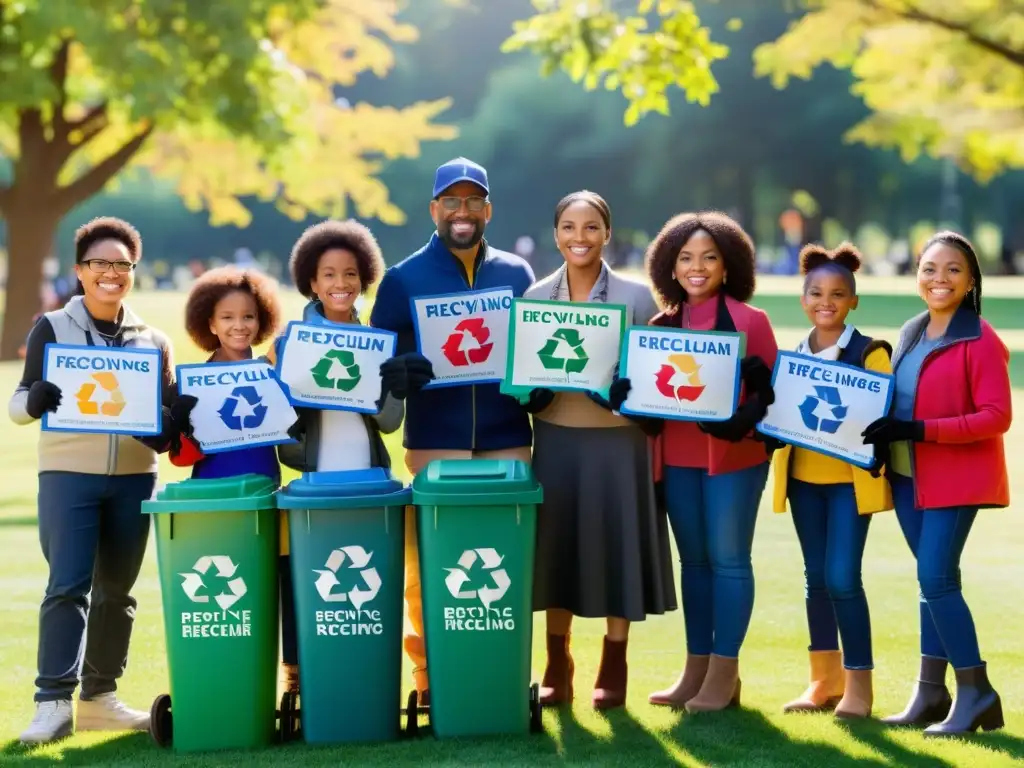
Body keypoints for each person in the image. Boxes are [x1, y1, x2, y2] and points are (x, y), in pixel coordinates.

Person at [369, 158, 536, 700]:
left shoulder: (517, 274)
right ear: (434, 209)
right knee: (429, 569)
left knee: (506, 560)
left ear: (487, 210)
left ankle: (504, 671)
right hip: (435, 439)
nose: (462, 212)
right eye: (451, 201)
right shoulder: (401, 279)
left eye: (473, 202)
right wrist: (401, 371)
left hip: (508, 434)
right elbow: (378, 365)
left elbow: (535, 352)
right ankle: (429, 678)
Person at [11, 217, 177, 744]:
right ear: (80, 271)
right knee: (67, 587)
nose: (112, 273)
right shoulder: (53, 327)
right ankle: (53, 702)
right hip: (68, 476)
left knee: (116, 593)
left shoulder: (154, 340)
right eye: (100, 264)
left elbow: (169, 423)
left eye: (122, 264)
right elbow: (19, 404)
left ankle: (100, 699)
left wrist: (167, 430)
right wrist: (32, 401)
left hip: (134, 479)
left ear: (133, 271)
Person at [525, 191, 676, 710]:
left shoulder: (637, 299)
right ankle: (556, 660)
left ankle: (615, 659)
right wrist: (532, 394)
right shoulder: (537, 296)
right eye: (569, 226)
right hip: (556, 438)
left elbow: (657, 375)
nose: (580, 237)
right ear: (556, 233)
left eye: (591, 227)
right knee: (558, 548)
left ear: (608, 234)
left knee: (616, 547)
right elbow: (518, 375)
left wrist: (627, 394)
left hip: (620, 443)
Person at [861, 231, 1010, 736]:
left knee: (936, 580)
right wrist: (880, 440)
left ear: (970, 281)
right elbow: (899, 401)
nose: (938, 278)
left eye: (952, 270)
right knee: (932, 584)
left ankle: (977, 692)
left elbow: (996, 416)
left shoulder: (980, 338)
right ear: (917, 274)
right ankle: (931, 693)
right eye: (929, 268)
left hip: (956, 481)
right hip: (907, 478)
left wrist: (919, 430)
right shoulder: (911, 330)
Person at [643, 211, 778, 713]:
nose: (696, 267)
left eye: (709, 258)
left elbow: (772, 397)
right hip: (677, 458)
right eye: (685, 258)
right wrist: (627, 398)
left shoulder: (751, 321)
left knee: (728, 560)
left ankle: (725, 671)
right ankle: (695, 669)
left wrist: (744, 414)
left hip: (732, 459)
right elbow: (650, 404)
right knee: (694, 563)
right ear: (669, 267)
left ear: (728, 265)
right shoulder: (660, 325)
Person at [266, 220, 404, 693]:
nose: (340, 284)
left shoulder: (377, 343)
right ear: (311, 282)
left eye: (349, 274)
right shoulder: (289, 345)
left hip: (370, 480)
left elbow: (387, 424)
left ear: (363, 279)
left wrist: (397, 389)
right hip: (315, 486)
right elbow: (284, 444)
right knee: (309, 582)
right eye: (328, 274)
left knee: (368, 587)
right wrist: (292, 401)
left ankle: (368, 676)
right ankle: (299, 678)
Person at [771, 243, 893, 719]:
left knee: (843, 577)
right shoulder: (794, 356)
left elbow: (881, 417)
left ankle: (859, 686)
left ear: (853, 301)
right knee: (815, 579)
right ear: (803, 299)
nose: (827, 301)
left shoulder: (871, 353)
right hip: (804, 480)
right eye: (817, 293)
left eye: (838, 294)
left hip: (848, 484)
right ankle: (824, 680)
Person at [168, 265, 295, 689]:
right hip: (214, 501)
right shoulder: (193, 381)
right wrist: (180, 422)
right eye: (227, 318)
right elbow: (180, 459)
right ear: (209, 323)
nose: (239, 326)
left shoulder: (272, 373)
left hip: (265, 493)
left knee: (282, 581)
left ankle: (293, 672)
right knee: (228, 588)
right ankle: (223, 674)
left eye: (248, 317)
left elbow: (294, 434)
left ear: (261, 321)